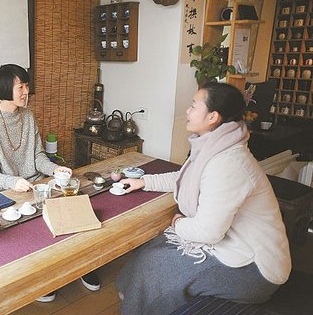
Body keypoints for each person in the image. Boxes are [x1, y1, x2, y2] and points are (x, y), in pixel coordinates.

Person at [115, 82, 291, 315]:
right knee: (151, 247)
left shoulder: (228, 162)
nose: (187, 112)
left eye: (193, 106)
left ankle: (141, 306)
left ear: (212, 117)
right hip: (231, 243)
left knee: (155, 265)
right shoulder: (215, 145)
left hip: (254, 268)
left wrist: (178, 223)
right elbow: (186, 177)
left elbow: (207, 232)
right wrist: (144, 182)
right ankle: (134, 300)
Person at [0, 64, 101, 302]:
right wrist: (13, 181)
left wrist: (55, 168)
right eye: (20, 87)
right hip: (4, 193)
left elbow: (37, 157)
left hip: (35, 185)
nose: (26, 91)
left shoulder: (28, 116)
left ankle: (83, 266)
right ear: (5, 89)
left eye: (26, 85)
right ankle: (42, 280)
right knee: (36, 233)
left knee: (72, 211)